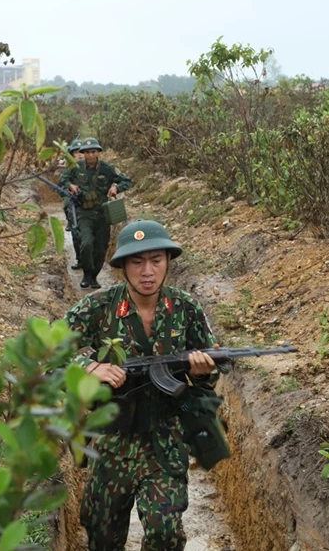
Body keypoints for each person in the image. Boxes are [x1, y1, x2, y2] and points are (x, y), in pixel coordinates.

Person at [64, 220, 219, 551]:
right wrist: (87, 366)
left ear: (167, 261)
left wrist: (203, 372)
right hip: (110, 443)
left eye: (156, 260)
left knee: (166, 535)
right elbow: (46, 352)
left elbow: (210, 370)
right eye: (137, 262)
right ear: (122, 266)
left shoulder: (186, 308)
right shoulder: (98, 307)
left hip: (165, 442)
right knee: (102, 537)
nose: (147, 271)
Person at [58, 137, 132, 289]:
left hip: (102, 214)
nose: (90, 155)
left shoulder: (106, 168)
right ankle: (86, 274)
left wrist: (116, 188)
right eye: (86, 152)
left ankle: (94, 277)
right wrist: (70, 185)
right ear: (82, 153)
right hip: (83, 214)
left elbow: (126, 180)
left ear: (98, 152)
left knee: (100, 248)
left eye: (93, 152)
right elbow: (62, 180)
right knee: (86, 243)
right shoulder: (76, 167)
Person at [59, 137, 84, 270]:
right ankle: (80, 259)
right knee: (76, 234)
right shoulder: (69, 169)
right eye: (76, 152)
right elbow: (61, 186)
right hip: (74, 205)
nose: (80, 154)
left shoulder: (95, 166)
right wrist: (70, 188)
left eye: (82, 151)